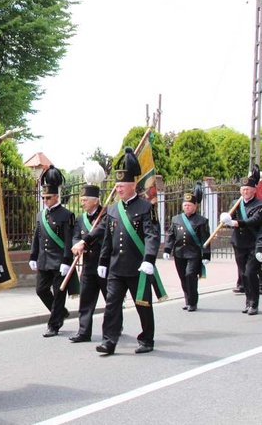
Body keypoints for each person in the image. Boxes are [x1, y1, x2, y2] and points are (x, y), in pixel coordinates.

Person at [96, 147, 161, 355]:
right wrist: (103, 262)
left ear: (133, 184)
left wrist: (149, 259)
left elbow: (152, 235)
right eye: (116, 185)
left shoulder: (145, 207)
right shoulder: (113, 209)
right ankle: (109, 340)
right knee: (112, 305)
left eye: (122, 185)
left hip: (137, 267)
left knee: (142, 304)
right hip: (116, 268)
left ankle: (147, 339)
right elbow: (108, 239)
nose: (119, 188)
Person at [29, 164, 75, 338]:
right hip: (43, 260)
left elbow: (69, 240)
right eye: (44, 197)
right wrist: (33, 256)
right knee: (41, 290)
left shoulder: (67, 215)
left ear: (56, 196)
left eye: (48, 197)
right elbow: (37, 237)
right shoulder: (41, 215)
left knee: (59, 294)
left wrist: (66, 260)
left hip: (59, 262)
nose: (46, 200)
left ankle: (53, 325)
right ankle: (60, 312)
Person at [69, 162, 107, 342]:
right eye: (81, 200)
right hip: (88, 266)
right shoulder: (80, 219)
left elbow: (101, 233)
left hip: (105, 265)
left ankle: (115, 326)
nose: (82, 202)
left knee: (112, 301)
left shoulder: (106, 215)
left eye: (85, 200)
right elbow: (75, 236)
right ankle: (83, 332)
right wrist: (77, 245)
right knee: (85, 301)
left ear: (95, 201)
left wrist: (86, 241)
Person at [220, 165, 262, 315]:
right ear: (240, 191)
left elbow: (254, 221)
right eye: (243, 189)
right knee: (243, 274)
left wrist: (235, 223)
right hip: (238, 243)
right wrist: (225, 218)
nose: (246, 192)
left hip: (254, 244)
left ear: (254, 190)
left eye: (248, 189)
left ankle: (254, 304)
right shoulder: (235, 204)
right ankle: (248, 301)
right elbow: (230, 218)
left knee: (251, 272)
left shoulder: (259, 205)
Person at [163, 182, 211, 312]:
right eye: (185, 205)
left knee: (190, 275)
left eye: (189, 205)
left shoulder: (201, 221)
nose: (187, 207)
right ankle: (187, 300)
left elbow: (205, 238)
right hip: (179, 253)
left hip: (193, 254)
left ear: (195, 206)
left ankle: (193, 302)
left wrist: (206, 254)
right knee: (183, 278)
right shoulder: (176, 219)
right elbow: (171, 235)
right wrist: (167, 249)